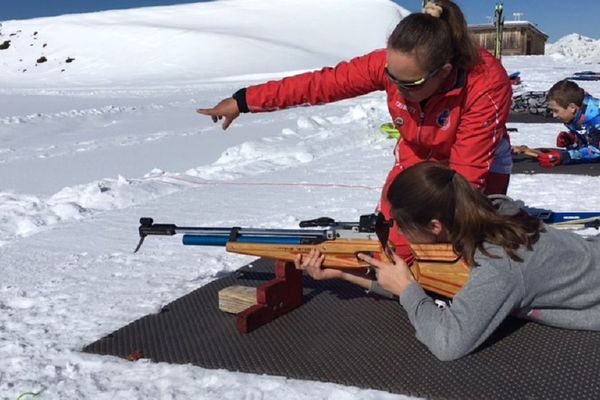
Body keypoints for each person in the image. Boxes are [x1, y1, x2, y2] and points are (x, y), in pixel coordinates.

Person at [198, 0, 513, 261]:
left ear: (443, 73)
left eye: (409, 84)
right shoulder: (392, 67)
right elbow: (321, 84)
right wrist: (245, 101)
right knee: (396, 246)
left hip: (476, 163)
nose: (397, 89)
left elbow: (466, 174)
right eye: (391, 78)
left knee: (461, 242)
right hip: (418, 156)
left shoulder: (485, 83)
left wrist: (447, 228)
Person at [295, 162, 600, 361]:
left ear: (435, 227)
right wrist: (346, 274)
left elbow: (447, 343)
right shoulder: (487, 212)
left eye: (402, 224)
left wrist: (407, 292)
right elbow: (438, 283)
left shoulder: (500, 264)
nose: (398, 231)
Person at [541, 79, 600, 167]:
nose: (554, 115)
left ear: (572, 107)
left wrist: (565, 156)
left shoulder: (595, 118)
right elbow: (588, 140)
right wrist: (572, 140)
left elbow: (596, 151)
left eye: (556, 111)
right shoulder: (577, 113)